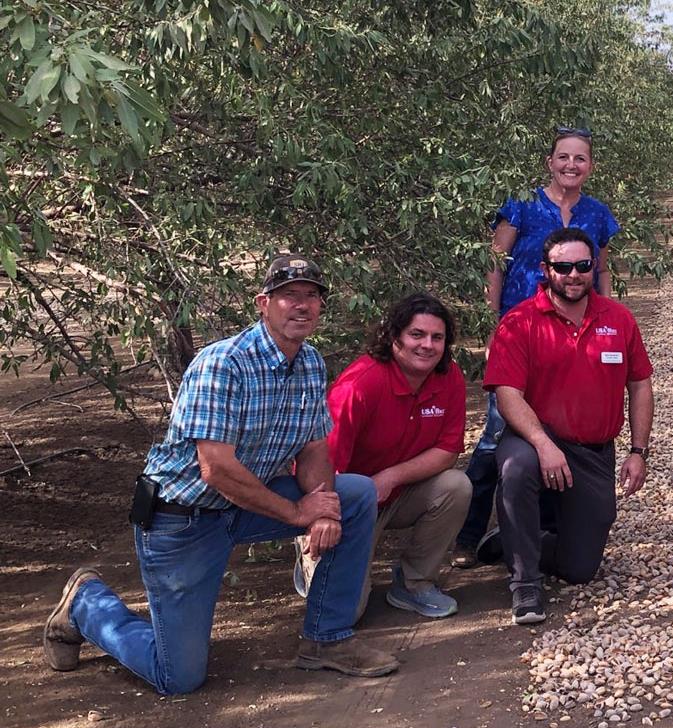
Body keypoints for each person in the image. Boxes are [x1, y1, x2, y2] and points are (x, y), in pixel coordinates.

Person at [42, 256, 398, 695]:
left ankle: (327, 640)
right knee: (178, 676)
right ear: (263, 304)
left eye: (312, 296)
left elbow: (314, 449)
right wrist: (295, 512)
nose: (301, 306)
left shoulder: (309, 363)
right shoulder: (223, 363)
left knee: (355, 493)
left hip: (246, 504)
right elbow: (217, 470)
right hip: (183, 518)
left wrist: (322, 507)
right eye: (290, 296)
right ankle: (87, 604)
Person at [456, 127, 620, 568]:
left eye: (580, 159)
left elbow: (600, 271)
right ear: (550, 162)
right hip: (521, 332)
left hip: (573, 336)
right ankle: (467, 535)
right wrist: (491, 326)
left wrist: (607, 319)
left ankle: (546, 527)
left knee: (562, 429)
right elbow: (496, 262)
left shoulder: (598, 213)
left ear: (591, 166)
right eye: (563, 157)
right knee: (496, 438)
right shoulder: (521, 204)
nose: (571, 165)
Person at [476, 227, 653, 624]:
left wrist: (638, 451)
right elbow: (507, 394)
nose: (573, 275)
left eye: (583, 266)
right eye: (563, 267)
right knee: (516, 468)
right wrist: (541, 443)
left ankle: (515, 539)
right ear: (545, 269)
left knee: (581, 569)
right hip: (535, 436)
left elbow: (640, 384)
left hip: (592, 449)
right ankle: (525, 585)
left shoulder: (619, 319)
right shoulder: (519, 322)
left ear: (594, 267)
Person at [297, 294, 470, 620]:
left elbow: (447, 452)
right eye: (416, 335)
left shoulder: (450, 378)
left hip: (397, 494)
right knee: (346, 615)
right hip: (347, 501)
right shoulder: (360, 385)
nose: (427, 345)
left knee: (456, 485)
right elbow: (321, 462)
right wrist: (321, 516)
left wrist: (391, 477)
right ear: (395, 338)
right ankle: (311, 554)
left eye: (437, 337)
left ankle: (414, 583)